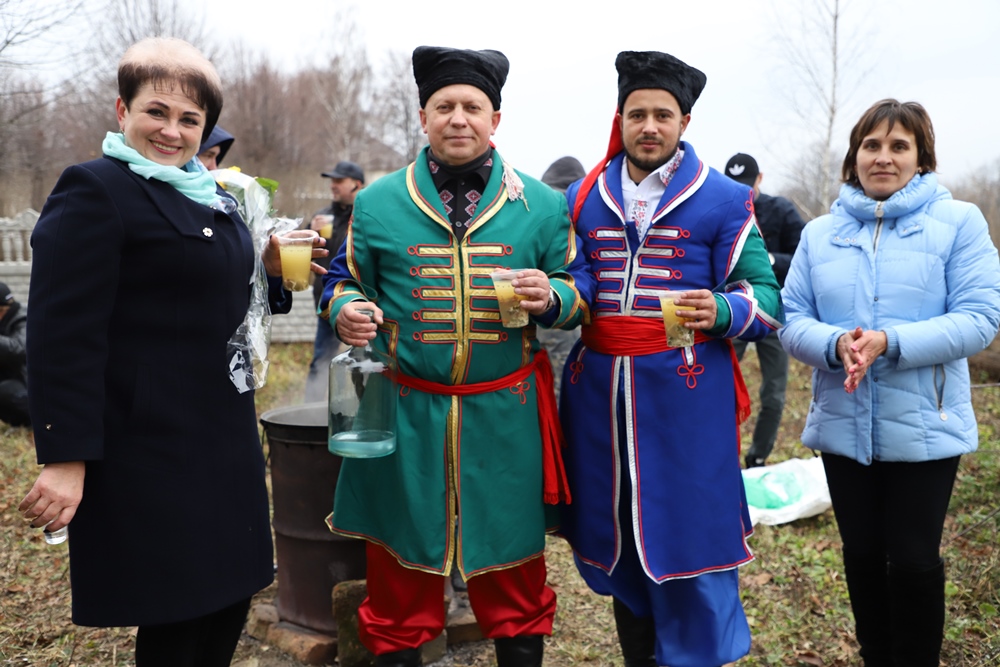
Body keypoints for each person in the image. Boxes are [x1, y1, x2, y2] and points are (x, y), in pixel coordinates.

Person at [16, 37, 325, 667]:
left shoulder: (207, 193)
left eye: (189, 119)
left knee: (227, 601)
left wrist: (266, 268)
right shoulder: (96, 189)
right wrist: (66, 455)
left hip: (223, 435)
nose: (171, 130)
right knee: (179, 614)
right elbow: (60, 333)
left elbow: (213, 291)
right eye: (156, 111)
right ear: (122, 110)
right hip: (149, 443)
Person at [321, 45, 582, 667]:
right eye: (444, 106)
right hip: (405, 416)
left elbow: (579, 292)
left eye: (472, 106)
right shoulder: (377, 203)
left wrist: (553, 297)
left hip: (506, 418)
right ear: (423, 117)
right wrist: (344, 309)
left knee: (516, 580)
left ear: (496, 119)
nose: (458, 118)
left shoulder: (543, 206)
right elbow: (341, 280)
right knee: (399, 585)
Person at [558, 51, 783, 667]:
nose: (649, 126)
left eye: (663, 114)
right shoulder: (583, 196)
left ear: (685, 121)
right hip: (598, 405)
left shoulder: (725, 199)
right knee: (619, 539)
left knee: (690, 541)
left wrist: (723, 309)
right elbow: (574, 281)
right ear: (621, 119)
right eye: (637, 114)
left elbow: (767, 298)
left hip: (688, 402)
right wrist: (556, 297)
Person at [779, 99, 1000, 667]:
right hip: (842, 420)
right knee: (861, 555)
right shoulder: (820, 234)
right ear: (854, 157)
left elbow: (980, 317)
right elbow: (792, 319)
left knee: (913, 559)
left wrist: (890, 342)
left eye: (899, 146)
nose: (883, 157)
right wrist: (835, 343)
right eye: (871, 145)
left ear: (921, 158)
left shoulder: (960, 223)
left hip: (926, 423)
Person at [723, 152, 806, 468]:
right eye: (735, 185)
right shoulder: (722, 210)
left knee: (773, 391)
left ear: (760, 179)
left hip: (774, 312)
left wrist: (771, 260)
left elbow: (804, 256)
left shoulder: (781, 211)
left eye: (748, 184)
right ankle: (723, 452)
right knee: (720, 382)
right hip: (734, 312)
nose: (743, 191)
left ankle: (758, 455)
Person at [303, 160, 365, 403]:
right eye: (332, 180)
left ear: (357, 184)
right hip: (327, 302)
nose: (333, 185)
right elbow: (304, 256)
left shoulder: (366, 216)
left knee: (363, 363)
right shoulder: (323, 216)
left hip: (362, 304)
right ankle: (311, 411)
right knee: (321, 360)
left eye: (339, 180)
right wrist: (310, 230)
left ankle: (361, 412)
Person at [537, 156, 586, 399]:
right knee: (562, 375)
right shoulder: (576, 214)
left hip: (536, 307)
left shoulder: (538, 208)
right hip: (563, 307)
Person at [0, 281, 28, 427]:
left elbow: (20, 348)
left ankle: (30, 422)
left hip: (29, 387)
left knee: (5, 391)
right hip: (15, 380)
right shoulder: (4, 321)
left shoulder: (23, 318)